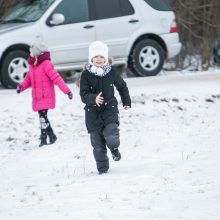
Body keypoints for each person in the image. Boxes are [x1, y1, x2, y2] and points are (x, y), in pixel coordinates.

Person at [80, 41, 131, 174]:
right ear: (91, 59)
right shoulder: (85, 75)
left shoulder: (111, 72)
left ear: (106, 59)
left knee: (111, 134)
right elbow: (83, 95)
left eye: (101, 57)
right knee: (97, 146)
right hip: (92, 114)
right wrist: (93, 99)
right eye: (96, 57)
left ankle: (114, 149)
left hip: (109, 109)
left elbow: (122, 86)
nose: (99, 59)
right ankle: (102, 170)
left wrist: (126, 101)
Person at [16, 42, 73, 147]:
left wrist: (67, 91)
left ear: (37, 53)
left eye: (32, 52)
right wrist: (21, 86)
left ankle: (43, 139)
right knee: (43, 117)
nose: (30, 53)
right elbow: (28, 79)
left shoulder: (46, 64)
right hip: (37, 97)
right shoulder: (32, 65)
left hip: (46, 96)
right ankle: (51, 135)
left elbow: (57, 78)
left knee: (42, 117)